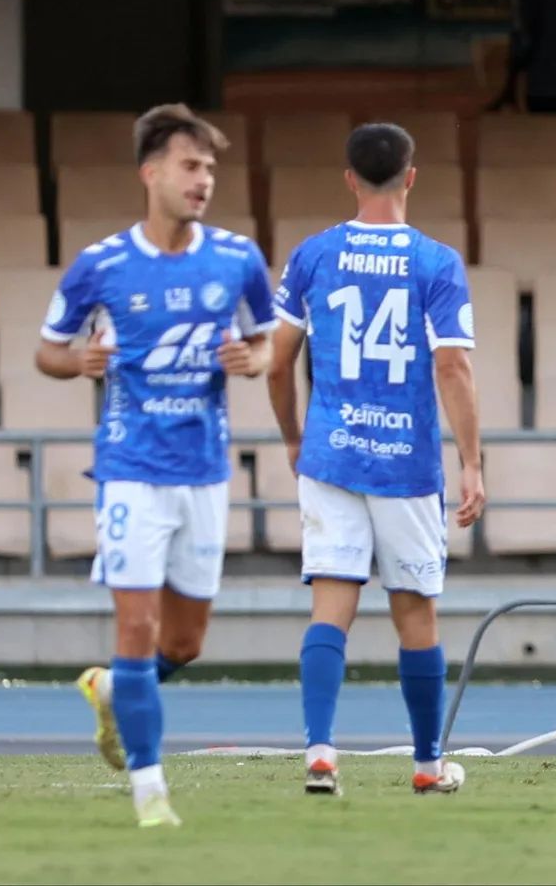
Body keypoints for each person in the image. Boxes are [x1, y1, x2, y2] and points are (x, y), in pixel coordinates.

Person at [36, 103, 275, 825]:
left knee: (185, 643)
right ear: (151, 173)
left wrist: (250, 359)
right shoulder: (102, 265)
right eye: (190, 166)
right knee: (136, 630)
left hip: (203, 469)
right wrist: (80, 362)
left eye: (210, 169)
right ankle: (150, 794)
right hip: (130, 468)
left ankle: (111, 690)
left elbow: (266, 343)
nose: (203, 181)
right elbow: (47, 352)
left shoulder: (238, 258)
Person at [267, 122, 484, 797]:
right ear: (411, 176)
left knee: (330, 606)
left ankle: (319, 752)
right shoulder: (436, 263)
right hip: (405, 464)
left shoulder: (313, 255)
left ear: (350, 179)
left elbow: (276, 361)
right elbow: (452, 366)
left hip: (330, 454)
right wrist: (472, 463)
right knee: (414, 612)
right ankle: (427, 765)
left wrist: (294, 438)